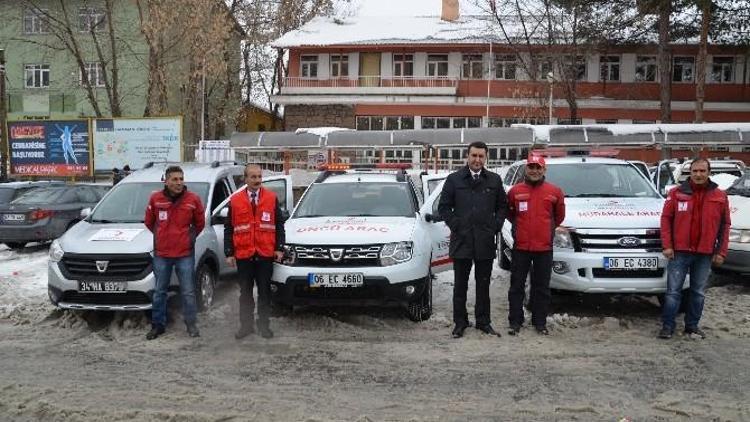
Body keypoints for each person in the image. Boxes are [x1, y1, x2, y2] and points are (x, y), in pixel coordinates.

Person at [438, 141, 507, 338]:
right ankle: (460, 322)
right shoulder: (454, 179)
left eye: (481, 156)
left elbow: (502, 206)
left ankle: (483, 322)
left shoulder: (494, 180)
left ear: (486, 158)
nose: (477, 160)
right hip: (462, 241)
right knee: (460, 285)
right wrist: (456, 225)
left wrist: (495, 225)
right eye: (474, 155)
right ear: (467, 156)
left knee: (483, 285)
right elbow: (444, 207)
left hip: (485, 240)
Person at [658, 158, 731, 340]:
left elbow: (725, 225)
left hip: (705, 254)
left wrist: (721, 251)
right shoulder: (676, 194)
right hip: (679, 252)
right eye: (695, 171)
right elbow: (665, 220)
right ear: (690, 173)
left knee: (698, 292)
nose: (698, 174)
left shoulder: (720, 196)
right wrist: (667, 245)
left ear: (709, 172)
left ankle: (692, 326)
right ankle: (667, 327)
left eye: (702, 171)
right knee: (673, 292)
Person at [506, 154, 565, 336]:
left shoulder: (554, 192)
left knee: (542, 288)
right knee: (517, 286)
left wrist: (545, 230)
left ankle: (540, 322)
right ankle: (515, 321)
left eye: (538, 167)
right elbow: (510, 214)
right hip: (521, 247)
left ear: (544, 170)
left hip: (544, 248)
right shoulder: (515, 191)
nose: (534, 170)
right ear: (526, 169)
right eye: (531, 167)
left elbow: (559, 216)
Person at [224, 164, 286, 340]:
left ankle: (264, 325)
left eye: (259, 177)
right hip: (244, 255)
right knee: (245, 293)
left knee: (265, 293)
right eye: (253, 177)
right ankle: (246, 326)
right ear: (245, 179)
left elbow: (279, 225)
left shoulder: (271, 198)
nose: (257, 180)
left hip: (265, 253)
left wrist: (279, 248)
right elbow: (229, 227)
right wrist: (229, 252)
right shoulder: (235, 200)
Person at [144, 165, 205, 340]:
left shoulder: (192, 199)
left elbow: (199, 223)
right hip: (162, 254)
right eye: (175, 179)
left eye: (181, 179)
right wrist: (161, 237)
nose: (179, 183)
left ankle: (191, 324)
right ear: (166, 180)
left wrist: (189, 238)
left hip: (184, 253)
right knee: (159, 291)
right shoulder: (156, 199)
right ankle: (158, 325)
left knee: (188, 292)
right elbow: (149, 222)